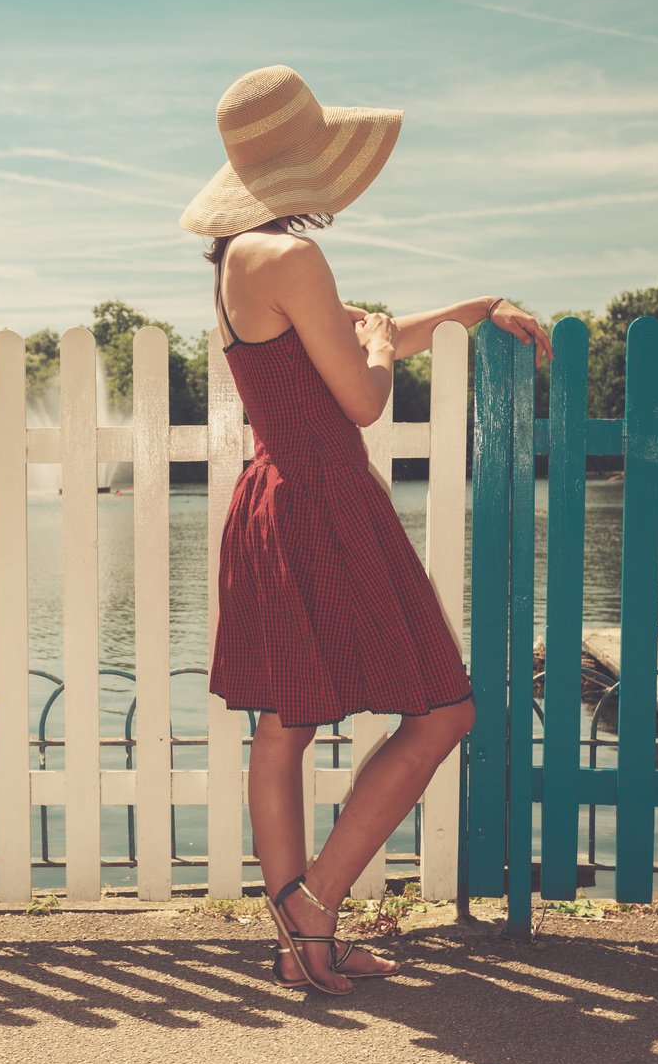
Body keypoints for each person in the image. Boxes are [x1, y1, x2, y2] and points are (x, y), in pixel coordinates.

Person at [180, 65, 551, 996]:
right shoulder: (292, 259)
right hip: (325, 500)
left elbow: (371, 333)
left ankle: (300, 942)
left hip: (280, 498)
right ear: (304, 166)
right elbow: (364, 390)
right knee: (443, 712)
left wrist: (476, 307)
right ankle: (312, 909)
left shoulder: (240, 262)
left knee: (284, 728)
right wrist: (384, 350)